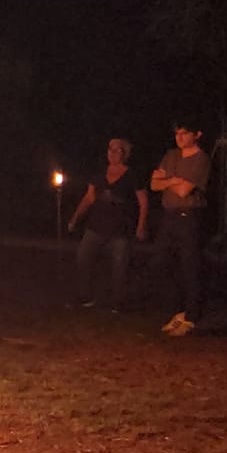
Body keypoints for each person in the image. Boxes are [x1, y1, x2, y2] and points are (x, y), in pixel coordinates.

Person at [66, 137, 150, 309]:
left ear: (124, 154)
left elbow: (143, 201)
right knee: (83, 259)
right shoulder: (99, 173)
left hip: (120, 229)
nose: (112, 154)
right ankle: (85, 296)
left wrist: (141, 225)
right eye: (110, 150)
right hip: (96, 226)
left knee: (119, 267)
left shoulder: (132, 175)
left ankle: (119, 301)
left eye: (117, 150)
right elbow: (89, 198)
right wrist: (75, 218)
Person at [150, 120, 212, 336]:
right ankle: (178, 310)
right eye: (177, 133)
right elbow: (154, 184)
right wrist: (172, 180)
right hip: (169, 215)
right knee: (161, 260)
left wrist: (167, 179)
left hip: (189, 216)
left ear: (197, 134)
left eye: (185, 133)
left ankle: (192, 316)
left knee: (189, 265)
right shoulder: (171, 155)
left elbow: (186, 190)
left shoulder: (201, 159)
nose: (180, 138)